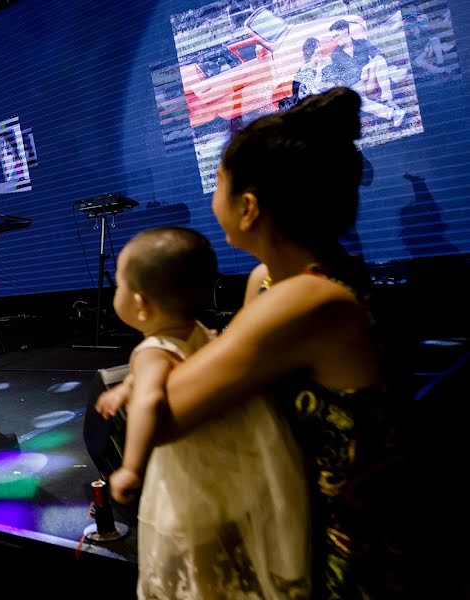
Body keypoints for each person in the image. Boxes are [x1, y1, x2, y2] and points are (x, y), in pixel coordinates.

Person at [157, 87, 407, 598]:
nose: (212, 197)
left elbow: (167, 410)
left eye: (218, 182)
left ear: (248, 207)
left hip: (348, 555)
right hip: (289, 516)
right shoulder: (268, 281)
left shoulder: (309, 301)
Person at [96, 227, 309, 599]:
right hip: (230, 465)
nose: (116, 291)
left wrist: (131, 466)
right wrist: (129, 385)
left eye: (118, 285)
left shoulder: (149, 352)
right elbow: (171, 367)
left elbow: (150, 399)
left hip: (188, 478)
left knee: (197, 556)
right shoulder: (201, 332)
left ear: (142, 304)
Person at [322, 20, 406, 126]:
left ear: (344, 30)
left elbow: (379, 55)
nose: (335, 39)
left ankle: (387, 99)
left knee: (379, 60)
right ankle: (392, 113)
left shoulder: (362, 43)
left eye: (336, 35)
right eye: (333, 37)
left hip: (370, 81)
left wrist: (367, 67)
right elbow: (338, 79)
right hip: (355, 88)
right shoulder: (335, 55)